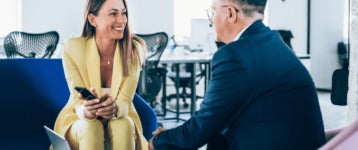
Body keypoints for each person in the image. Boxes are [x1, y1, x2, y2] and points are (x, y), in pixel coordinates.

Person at [149, 0, 326, 149]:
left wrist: (157, 141)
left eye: (213, 11)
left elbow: (198, 132)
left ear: (231, 14)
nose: (211, 20)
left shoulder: (235, 57)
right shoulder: (271, 40)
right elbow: (215, 120)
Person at [53, 0, 148, 149]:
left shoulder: (134, 50)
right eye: (113, 13)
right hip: (80, 120)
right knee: (91, 126)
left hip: (120, 117)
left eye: (124, 13)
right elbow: (76, 98)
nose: (122, 20)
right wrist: (86, 110)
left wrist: (115, 109)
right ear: (92, 20)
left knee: (123, 124)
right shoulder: (72, 48)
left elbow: (125, 101)